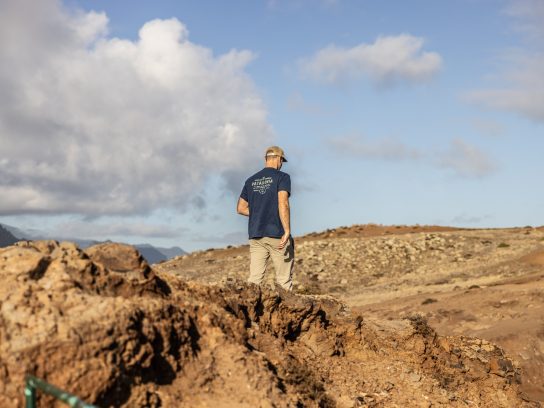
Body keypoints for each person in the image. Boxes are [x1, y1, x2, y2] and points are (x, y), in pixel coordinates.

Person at [237, 146, 294, 290]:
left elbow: (241, 208)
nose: (281, 164)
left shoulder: (250, 180)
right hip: (277, 234)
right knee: (283, 281)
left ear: (266, 159)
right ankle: (284, 312)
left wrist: (259, 213)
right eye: (282, 161)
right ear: (279, 159)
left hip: (256, 235)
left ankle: (249, 309)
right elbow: (283, 203)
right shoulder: (282, 177)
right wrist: (287, 230)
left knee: (254, 280)